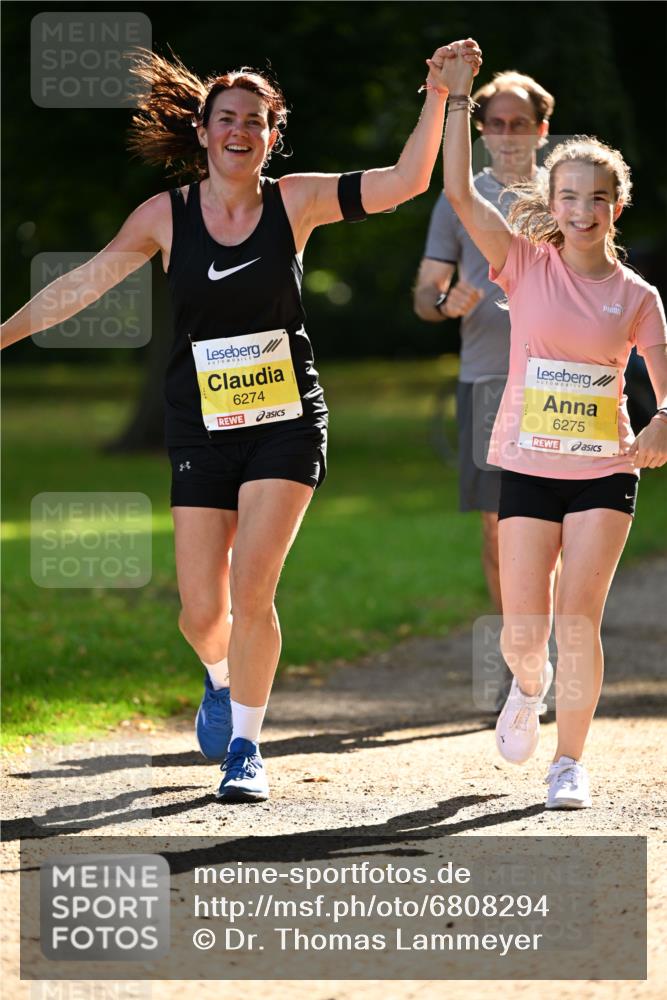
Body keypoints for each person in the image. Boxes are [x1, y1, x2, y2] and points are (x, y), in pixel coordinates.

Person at [1, 42, 481, 803]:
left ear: (271, 133)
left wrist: (438, 92)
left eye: (255, 122)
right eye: (226, 119)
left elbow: (404, 183)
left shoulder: (295, 201)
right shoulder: (165, 216)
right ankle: (221, 678)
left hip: (285, 424)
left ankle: (247, 751)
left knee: (251, 590)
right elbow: (80, 287)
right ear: (202, 130)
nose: (240, 132)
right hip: (198, 428)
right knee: (200, 611)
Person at [436, 42, 667, 808]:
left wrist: (660, 420)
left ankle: (568, 763)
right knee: (522, 629)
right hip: (530, 465)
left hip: (604, 469)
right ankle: (525, 685)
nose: (579, 209)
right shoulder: (523, 264)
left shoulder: (638, 297)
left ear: (614, 207)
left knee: (578, 617)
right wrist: (456, 100)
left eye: (594, 197)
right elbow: (460, 199)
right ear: (551, 200)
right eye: (566, 195)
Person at [413, 71, 555, 621]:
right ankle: (520, 664)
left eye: (519, 124)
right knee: (499, 531)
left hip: (559, 380)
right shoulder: (458, 200)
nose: (507, 134)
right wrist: (443, 302)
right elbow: (424, 294)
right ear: (481, 130)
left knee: (554, 532)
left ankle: (546, 653)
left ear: (542, 129)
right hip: (488, 382)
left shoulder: (567, 194)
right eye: (495, 123)